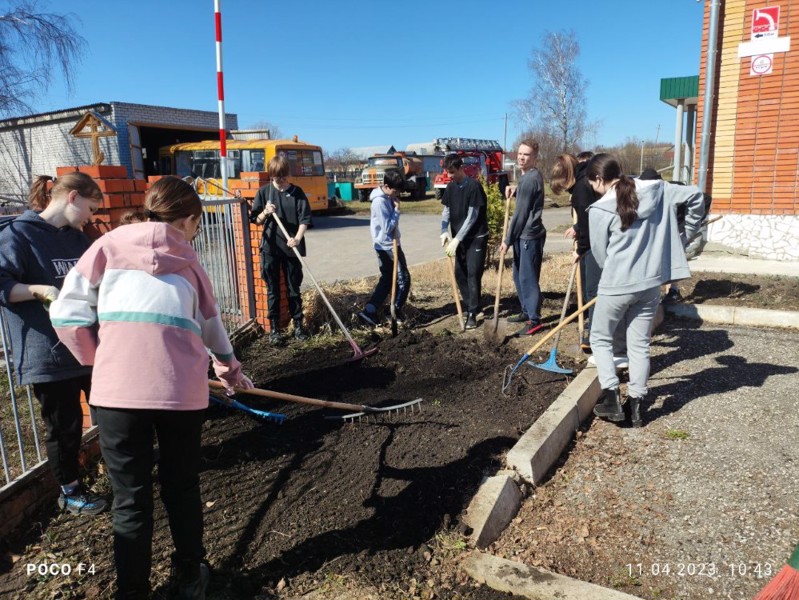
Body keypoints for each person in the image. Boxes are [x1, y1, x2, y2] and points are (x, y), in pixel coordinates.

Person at [50, 176, 255, 599]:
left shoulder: (105, 248)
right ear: (190, 220)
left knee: (130, 500)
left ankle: (132, 591)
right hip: (181, 395)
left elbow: (67, 313)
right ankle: (190, 577)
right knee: (181, 487)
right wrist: (231, 372)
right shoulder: (191, 263)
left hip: (116, 396)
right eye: (197, 225)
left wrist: (100, 363)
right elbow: (213, 329)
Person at [0, 173, 108, 516]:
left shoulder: (77, 240)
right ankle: (70, 491)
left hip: (89, 346)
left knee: (111, 410)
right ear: (72, 198)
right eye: (90, 208)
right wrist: (37, 290)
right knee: (64, 425)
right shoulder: (18, 235)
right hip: (48, 352)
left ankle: (122, 469)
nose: (91, 217)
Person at [586, 154, 705, 427]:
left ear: (600, 179)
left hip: (616, 285)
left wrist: (616, 274)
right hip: (651, 284)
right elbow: (696, 195)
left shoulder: (600, 209)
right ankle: (638, 407)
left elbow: (600, 254)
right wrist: (685, 234)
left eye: (593, 183)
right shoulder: (657, 190)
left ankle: (612, 398)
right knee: (639, 344)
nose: (593, 189)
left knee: (600, 339)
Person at [250, 155, 312, 345]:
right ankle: (275, 329)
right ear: (272, 176)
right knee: (273, 289)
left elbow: (305, 220)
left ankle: (298, 326)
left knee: (294, 289)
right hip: (271, 248)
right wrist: (265, 213)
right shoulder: (264, 193)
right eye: (277, 178)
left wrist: (297, 238)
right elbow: (255, 220)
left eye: (284, 177)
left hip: (291, 248)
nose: (281, 181)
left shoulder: (297, 193)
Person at [550, 152, 599, 352]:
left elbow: (590, 224)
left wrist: (580, 249)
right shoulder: (583, 183)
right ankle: (593, 328)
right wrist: (577, 228)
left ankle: (595, 335)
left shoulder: (581, 188)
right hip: (592, 241)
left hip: (596, 246)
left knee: (593, 291)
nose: (564, 190)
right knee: (589, 290)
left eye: (562, 185)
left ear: (566, 175)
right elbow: (589, 216)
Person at [499, 139, 547, 336]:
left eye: (526, 154)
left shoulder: (529, 178)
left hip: (528, 236)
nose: (521, 157)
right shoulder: (528, 176)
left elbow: (520, 215)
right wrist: (515, 189)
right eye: (519, 153)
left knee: (527, 278)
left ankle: (534, 319)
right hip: (524, 235)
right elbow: (526, 196)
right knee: (518, 275)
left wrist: (507, 240)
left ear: (535, 157)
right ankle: (526, 311)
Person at [439, 154, 489, 329]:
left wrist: (457, 239)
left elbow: (472, 216)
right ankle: (472, 305)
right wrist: (444, 230)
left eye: (452, 172)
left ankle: (473, 313)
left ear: (461, 168)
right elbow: (446, 210)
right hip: (459, 240)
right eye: (447, 172)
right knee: (460, 274)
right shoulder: (451, 187)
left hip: (476, 238)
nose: (450, 175)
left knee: (473, 274)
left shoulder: (474, 186)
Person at [358, 169, 411, 326]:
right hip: (387, 246)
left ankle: (370, 310)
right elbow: (387, 227)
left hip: (387, 244)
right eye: (395, 190)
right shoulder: (380, 202)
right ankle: (393, 311)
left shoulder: (387, 196)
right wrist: (396, 210)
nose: (397, 193)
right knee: (404, 279)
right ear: (386, 186)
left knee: (387, 279)